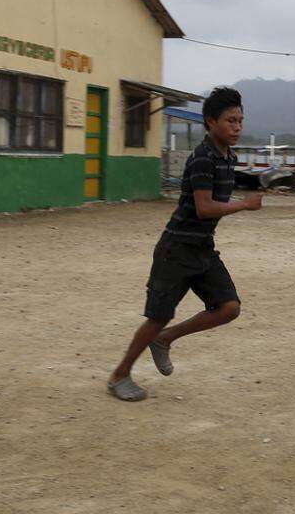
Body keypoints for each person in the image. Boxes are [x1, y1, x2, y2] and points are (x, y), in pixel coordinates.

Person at [106, 87, 261, 401]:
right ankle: (119, 375)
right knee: (158, 315)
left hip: (203, 247)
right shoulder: (203, 157)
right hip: (176, 250)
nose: (238, 127)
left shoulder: (228, 157)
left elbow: (214, 203)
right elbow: (205, 208)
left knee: (229, 308)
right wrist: (243, 205)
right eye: (231, 121)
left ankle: (165, 340)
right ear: (210, 122)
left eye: (240, 120)